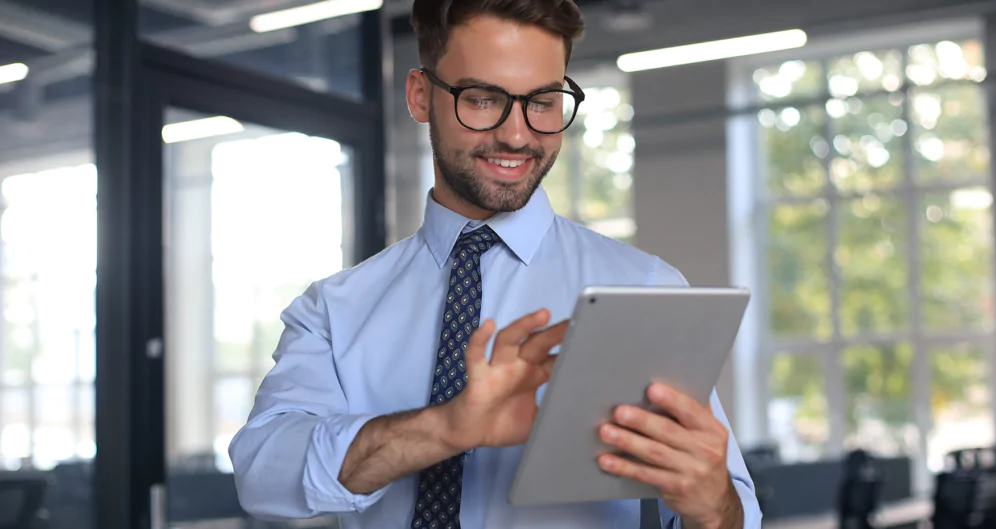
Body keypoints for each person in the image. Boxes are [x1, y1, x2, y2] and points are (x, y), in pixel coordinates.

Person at [228, 0, 761, 527]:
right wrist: (444, 428)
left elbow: (725, 513)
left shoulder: (646, 291)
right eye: (483, 99)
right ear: (420, 96)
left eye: (544, 101)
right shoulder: (336, 309)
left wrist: (715, 509)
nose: (517, 134)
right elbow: (262, 475)